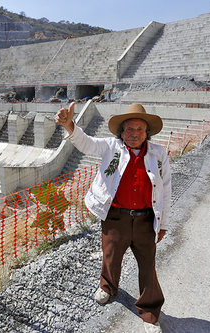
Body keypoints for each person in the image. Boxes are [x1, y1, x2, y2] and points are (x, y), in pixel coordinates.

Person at [55, 102, 171, 333]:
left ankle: (150, 314)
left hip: (146, 220)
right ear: (121, 132)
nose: (134, 134)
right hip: (115, 216)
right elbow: (87, 144)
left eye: (140, 129)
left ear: (147, 132)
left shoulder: (158, 154)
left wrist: (163, 223)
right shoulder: (111, 147)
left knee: (148, 266)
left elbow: (165, 188)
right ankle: (107, 287)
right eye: (129, 129)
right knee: (110, 255)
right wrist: (70, 126)